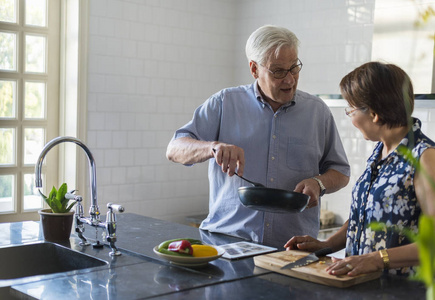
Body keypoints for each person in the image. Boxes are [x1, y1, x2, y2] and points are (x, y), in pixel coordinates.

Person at [166, 25, 350, 249]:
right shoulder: (224, 103)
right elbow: (174, 149)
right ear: (254, 69)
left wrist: (318, 182)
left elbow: (341, 172)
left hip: (291, 250)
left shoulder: (317, 112)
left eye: (294, 68)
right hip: (227, 246)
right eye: (278, 71)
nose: (290, 80)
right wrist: (212, 148)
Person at [284, 61, 435, 276]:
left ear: (374, 114)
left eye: (351, 110)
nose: (351, 118)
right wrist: (325, 245)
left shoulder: (425, 158)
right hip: (363, 287)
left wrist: (376, 260)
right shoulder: (380, 151)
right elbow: (364, 217)